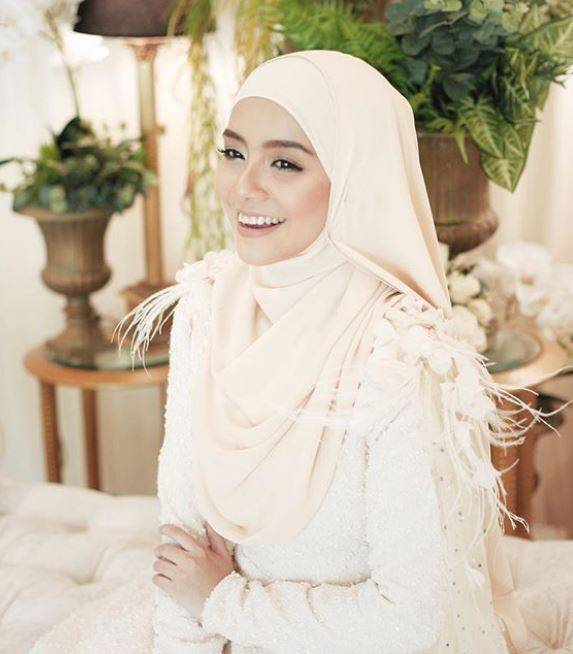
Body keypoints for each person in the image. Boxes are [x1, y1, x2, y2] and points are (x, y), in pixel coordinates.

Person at [31, 49, 548, 654]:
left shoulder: (404, 361)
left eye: (284, 163)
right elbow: (182, 548)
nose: (244, 187)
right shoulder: (207, 305)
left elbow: (413, 622)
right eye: (233, 153)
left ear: (354, 179)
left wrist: (223, 601)